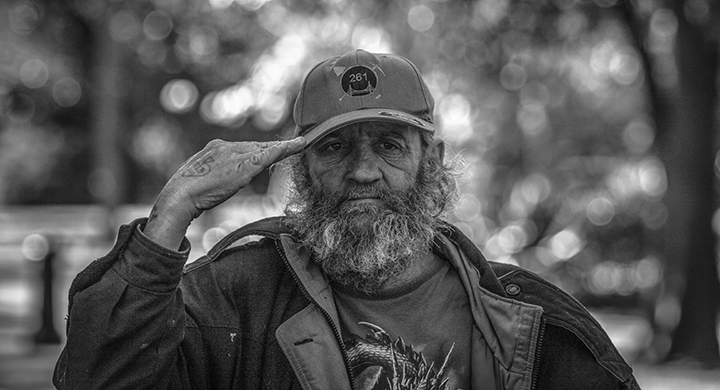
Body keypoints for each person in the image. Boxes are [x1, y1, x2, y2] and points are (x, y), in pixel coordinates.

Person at [53, 49, 640, 389]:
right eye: (335, 148)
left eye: (389, 144)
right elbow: (97, 380)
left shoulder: (529, 320)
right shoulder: (236, 297)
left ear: (430, 161)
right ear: (301, 166)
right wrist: (171, 213)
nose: (363, 172)